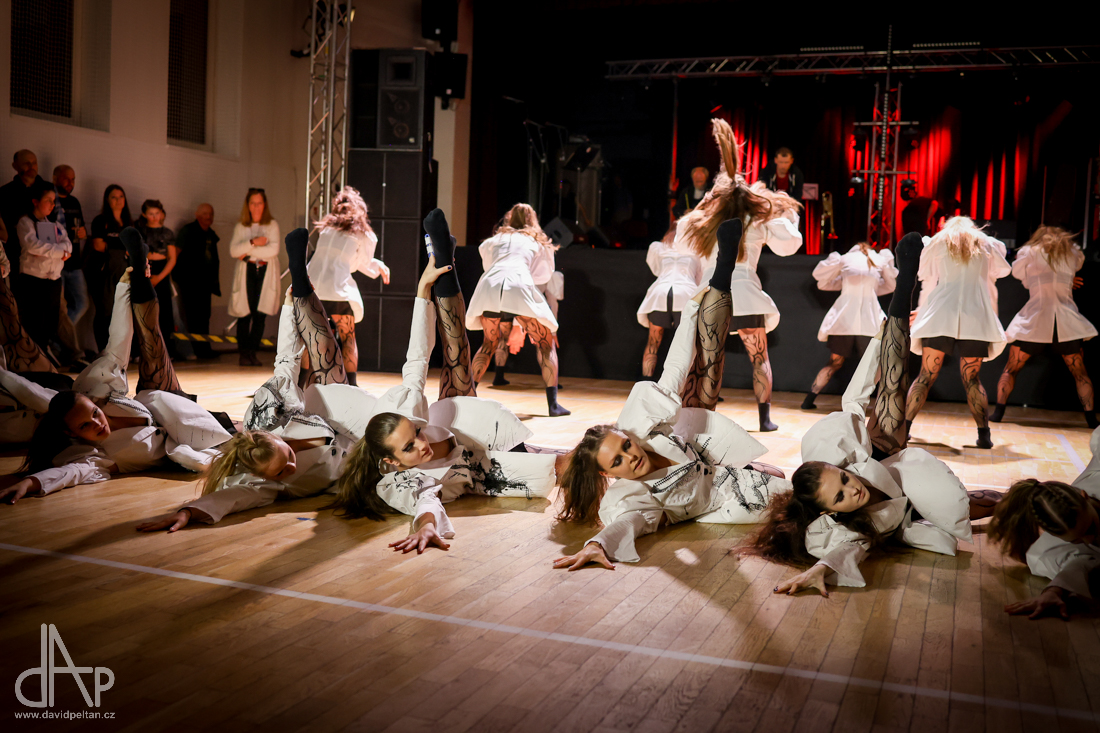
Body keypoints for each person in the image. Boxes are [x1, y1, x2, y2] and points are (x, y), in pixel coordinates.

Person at [740, 233, 1001, 595]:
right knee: (981, 504)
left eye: (843, 480)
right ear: (831, 512)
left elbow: (854, 400)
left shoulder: (840, 458)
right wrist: (821, 569)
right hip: (904, 487)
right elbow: (849, 550)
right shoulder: (855, 523)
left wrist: (880, 341)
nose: (853, 489)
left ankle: (900, 304)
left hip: (873, 451)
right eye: (841, 496)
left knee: (891, 389)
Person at [552, 219, 791, 571]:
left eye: (625, 446)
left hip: (701, 442)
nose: (630, 456)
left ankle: (722, 274)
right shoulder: (629, 495)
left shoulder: (638, 427)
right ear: (608, 474)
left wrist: (693, 308)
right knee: (786, 484)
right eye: (617, 462)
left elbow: (675, 369)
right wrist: (597, 544)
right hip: (722, 494)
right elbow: (628, 523)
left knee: (707, 364)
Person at [327, 209, 560, 553]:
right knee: (460, 354)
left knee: (456, 351)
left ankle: (442, 261)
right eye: (410, 447)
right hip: (478, 457)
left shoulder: (404, 420)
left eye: (415, 434)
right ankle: (445, 258)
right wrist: (425, 528)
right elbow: (426, 504)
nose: (421, 444)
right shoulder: (402, 482)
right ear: (392, 463)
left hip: (455, 422)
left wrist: (423, 288)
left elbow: (417, 357)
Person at [137, 228, 370, 532]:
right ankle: (301, 289)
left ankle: (301, 285)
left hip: (329, 415)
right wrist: (189, 512)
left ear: (278, 438)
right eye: (281, 472)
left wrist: (289, 307)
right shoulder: (264, 483)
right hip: (357, 442)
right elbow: (233, 497)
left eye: (287, 457)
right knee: (328, 359)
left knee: (322, 352)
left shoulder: (273, 418)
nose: (291, 468)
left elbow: (286, 363)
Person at [0, 228, 232, 504]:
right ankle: (140, 278)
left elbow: (118, 343)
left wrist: (125, 285)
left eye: (94, 413)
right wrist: (30, 482)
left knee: (148, 344)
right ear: (72, 433)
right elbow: (71, 473)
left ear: (93, 402)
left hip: (161, 404)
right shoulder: (95, 454)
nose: (98, 423)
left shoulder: (96, 393)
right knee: (154, 349)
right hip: (181, 435)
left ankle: (138, 276)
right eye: (86, 425)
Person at [679, 118, 803, 431]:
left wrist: (703, 205)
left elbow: (680, 240)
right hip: (745, 294)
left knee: (705, 361)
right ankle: (765, 420)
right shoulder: (755, 221)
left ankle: (696, 417)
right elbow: (790, 244)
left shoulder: (706, 222)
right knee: (759, 358)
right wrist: (779, 212)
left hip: (711, 296)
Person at [906, 216, 1011, 449]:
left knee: (925, 376)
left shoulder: (938, 241)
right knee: (972, 379)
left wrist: (923, 310)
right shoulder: (986, 243)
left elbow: (926, 275)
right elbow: (1001, 272)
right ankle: (984, 435)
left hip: (942, 314)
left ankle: (904, 428)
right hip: (975, 316)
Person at [466, 203, 570, 417]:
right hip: (518, 284)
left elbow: (487, 264)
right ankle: (553, 404)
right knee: (545, 343)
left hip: (490, 285)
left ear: (509, 218)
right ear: (533, 220)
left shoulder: (493, 241)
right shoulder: (537, 241)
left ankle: (466, 398)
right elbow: (544, 275)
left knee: (488, 343)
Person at [986, 426, 1100, 619]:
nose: (1088, 540)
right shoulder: (1050, 549)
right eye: (1076, 541)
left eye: (1090, 528)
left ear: (1085, 496)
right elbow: (1077, 563)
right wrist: (1053, 591)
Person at [992, 226, 1097, 428]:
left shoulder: (1029, 253)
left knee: (1011, 369)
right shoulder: (1073, 253)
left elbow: (1018, 274)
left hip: (1035, 320)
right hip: (1065, 323)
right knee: (1080, 373)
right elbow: (1075, 265)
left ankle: (998, 412)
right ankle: (1091, 418)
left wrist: (1036, 277)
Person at [306, 186, 390, 385]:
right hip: (338, 291)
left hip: (312, 290)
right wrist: (378, 266)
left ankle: (305, 382)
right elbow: (359, 263)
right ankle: (351, 384)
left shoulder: (326, 229)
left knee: (311, 339)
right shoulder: (363, 234)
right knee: (348, 338)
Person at [802, 242, 897, 410]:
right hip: (869, 322)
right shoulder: (879, 261)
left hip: (844, 321)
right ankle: (884, 406)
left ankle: (808, 400)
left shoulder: (845, 259)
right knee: (875, 366)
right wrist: (872, 288)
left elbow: (822, 281)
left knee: (834, 363)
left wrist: (846, 284)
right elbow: (891, 285)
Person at [637, 224, 704, 379]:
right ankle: (687, 386)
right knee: (688, 346)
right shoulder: (698, 248)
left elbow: (656, 269)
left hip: (659, 294)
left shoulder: (658, 247)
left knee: (653, 343)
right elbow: (701, 276)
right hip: (685, 294)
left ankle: (646, 382)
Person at [14, 181, 71, 354]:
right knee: (33, 322)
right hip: (33, 281)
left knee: (50, 322)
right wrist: (58, 252)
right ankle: (33, 357)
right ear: (35, 201)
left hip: (53, 281)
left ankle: (45, 354)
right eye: (48, 200)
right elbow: (33, 246)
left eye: (54, 201)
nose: (52, 205)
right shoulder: (25, 222)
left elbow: (68, 245)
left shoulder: (55, 225)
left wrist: (54, 251)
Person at [228, 188, 281, 366]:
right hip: (247, 271)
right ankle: (243, 354)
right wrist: (253, 242)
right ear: (248, 205)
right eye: (253, 203)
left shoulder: (272, 225)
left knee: (260, 315)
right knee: (244, 314)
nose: (256, 207)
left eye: (259, 203)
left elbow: (273, 250)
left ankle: (252, 351)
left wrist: (247, 251)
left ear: (264, 204)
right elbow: (234, 251)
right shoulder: (241, 226)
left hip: (264, 272)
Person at [50, 165, 91, 367]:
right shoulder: (51, 201)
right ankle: (63, 346)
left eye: (73, 179)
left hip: (74, 262)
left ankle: (56, 341)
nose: (70, 183)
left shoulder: (74, 201)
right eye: (66, 178)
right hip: (57, 262)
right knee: (60, 308)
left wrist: (83, 233)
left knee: (82, 303)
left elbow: (80, 227)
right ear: (55, 178)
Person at [89, 185, 134, 351]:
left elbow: (133, 247)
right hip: (104, 272)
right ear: (107, 200)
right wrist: (122, 246)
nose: (118, 200)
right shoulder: (101, 221)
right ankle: (103, 350)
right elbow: (98, 245)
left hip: (124, 271)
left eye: (121, 196)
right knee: (105, 311)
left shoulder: (129, 223)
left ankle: (120, 350)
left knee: (122, 313)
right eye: (114, 197)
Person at [173, 204, 221, 359]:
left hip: (205, 282)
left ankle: (205, 348)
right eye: (205, 213)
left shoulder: (210, 234)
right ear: (197, 215)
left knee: (205, 315)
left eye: (211, 214)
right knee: (193, 315)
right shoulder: (188, 231)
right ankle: (195, 349)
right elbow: (176, 251)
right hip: (190, 281)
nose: (209, 217)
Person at [135, 200, 181, 358]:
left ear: (161, 213)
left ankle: (166, 351)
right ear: (144, 215)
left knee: (165, 312)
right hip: (145, 268)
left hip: (162, 271)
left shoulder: (167, 233)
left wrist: (159, 277)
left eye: (157, 213)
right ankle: (143, 350)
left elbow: (172, 259)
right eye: (151, 214)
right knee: (144, 311)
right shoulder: (140, 232)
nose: (154, 217)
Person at [0, 149, 48, 275]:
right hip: (15, 255)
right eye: (27, 163)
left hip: (45, 257)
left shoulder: (48, 190)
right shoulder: (5, 192)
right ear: (15, 165)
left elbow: (55, 221)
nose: (31, 167)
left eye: (34, 163)